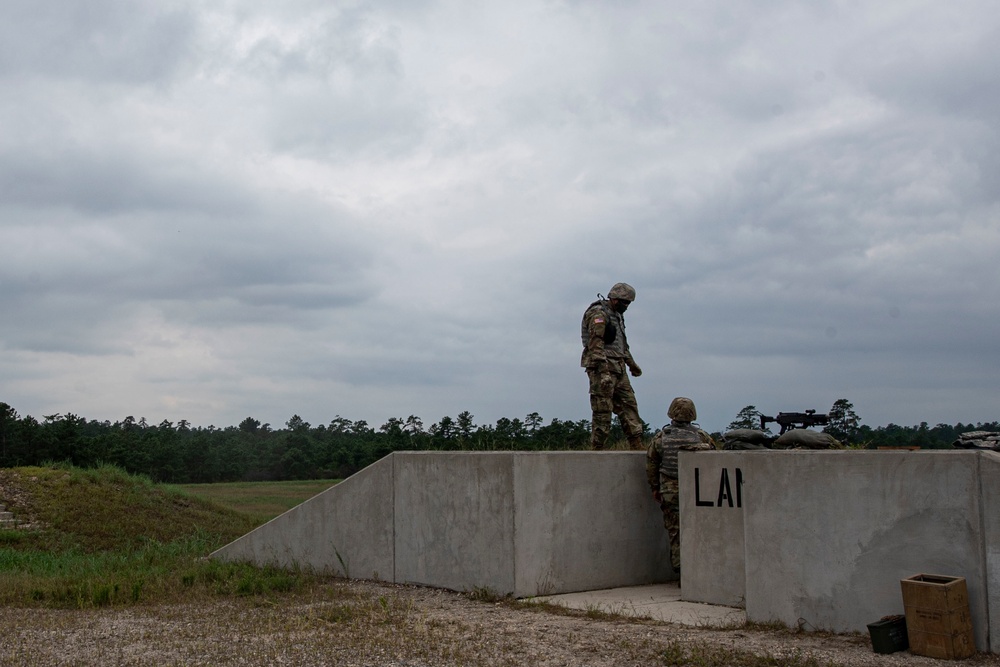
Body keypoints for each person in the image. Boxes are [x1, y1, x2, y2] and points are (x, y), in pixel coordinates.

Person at [646, 397, 716, 575]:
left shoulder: (662, 438)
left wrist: (655, 487)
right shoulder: (702, 437)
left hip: (670, 491)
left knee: (675, 532)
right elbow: (715, 458)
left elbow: (652, 463)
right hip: (697, 490)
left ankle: (681, 571)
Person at [580, 282, 644, 450]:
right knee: (603, 409)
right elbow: (595, 344)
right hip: (602, 368)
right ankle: (598, 448)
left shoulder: (617, 315)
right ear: (616, 300)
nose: (627, 307)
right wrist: (604, 372)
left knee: (629, 405)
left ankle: (636, 444)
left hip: (619, 367)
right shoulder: (598, 314)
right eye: (626, 303)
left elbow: (622, 345)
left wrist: (632, 364)